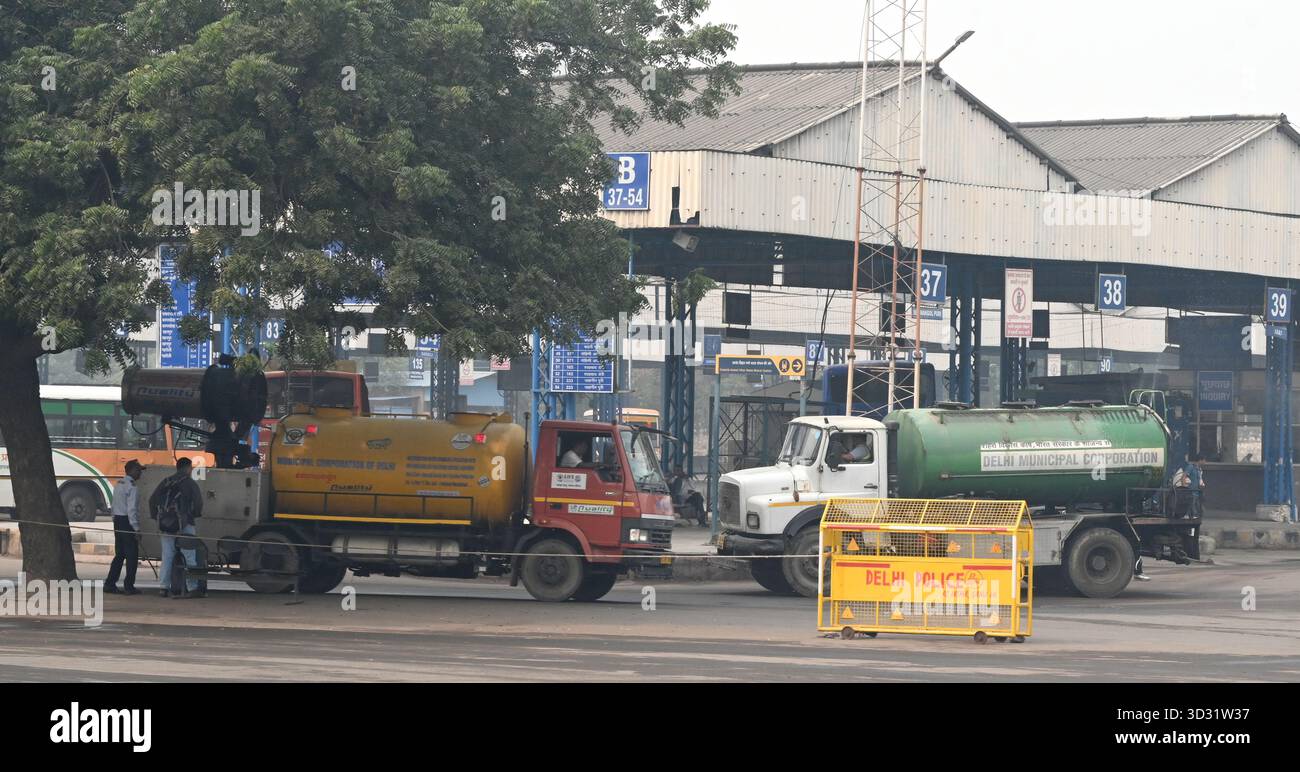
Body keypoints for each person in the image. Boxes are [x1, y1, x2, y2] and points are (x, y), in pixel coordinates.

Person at [150, 457, 205, 599]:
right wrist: (193, 515)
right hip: (185, 525)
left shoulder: (166, 481)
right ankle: (192, 588)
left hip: (166, 526)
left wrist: (158, 518)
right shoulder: (190, 483)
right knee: (189, 557)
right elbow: (198, 503)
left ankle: (163, 587)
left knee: (167, 556)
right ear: (187, 468)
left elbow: (152, 500)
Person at [104, 460, 145, 595]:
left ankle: (110, 583)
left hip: (118, 521)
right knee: (132, 555)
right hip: (127, 522)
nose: (140, 473)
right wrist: (136, 528)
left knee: (120, 554)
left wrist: (114, 520)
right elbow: (132, 509)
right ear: (132, 470)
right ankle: (129, 586)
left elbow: (114, 504)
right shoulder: (132, 487)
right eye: (138, 470)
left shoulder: (119, 484)